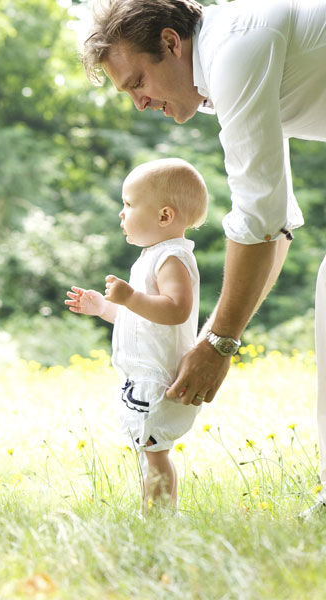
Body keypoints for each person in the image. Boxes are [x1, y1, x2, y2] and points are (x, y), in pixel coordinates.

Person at [82, 0, 326, 515]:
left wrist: (219, 342)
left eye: (138, 82)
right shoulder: (223, 67)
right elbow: (275, 221)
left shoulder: (236, 50)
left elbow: (258, 217)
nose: (139, 103)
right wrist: (219, 338)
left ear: (172, 43)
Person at [65, 158, 208, 513]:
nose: (121, 213)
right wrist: (104, 308)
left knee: (155, 452)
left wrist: (130, 297)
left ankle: (158, 520)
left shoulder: (172, 258)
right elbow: (141, 319)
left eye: (129, 205)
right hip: (141, 377)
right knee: (149, 451)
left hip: (160, 379)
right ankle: (155, 513)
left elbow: (176, 309)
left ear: (163, 216)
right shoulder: (150, 257)